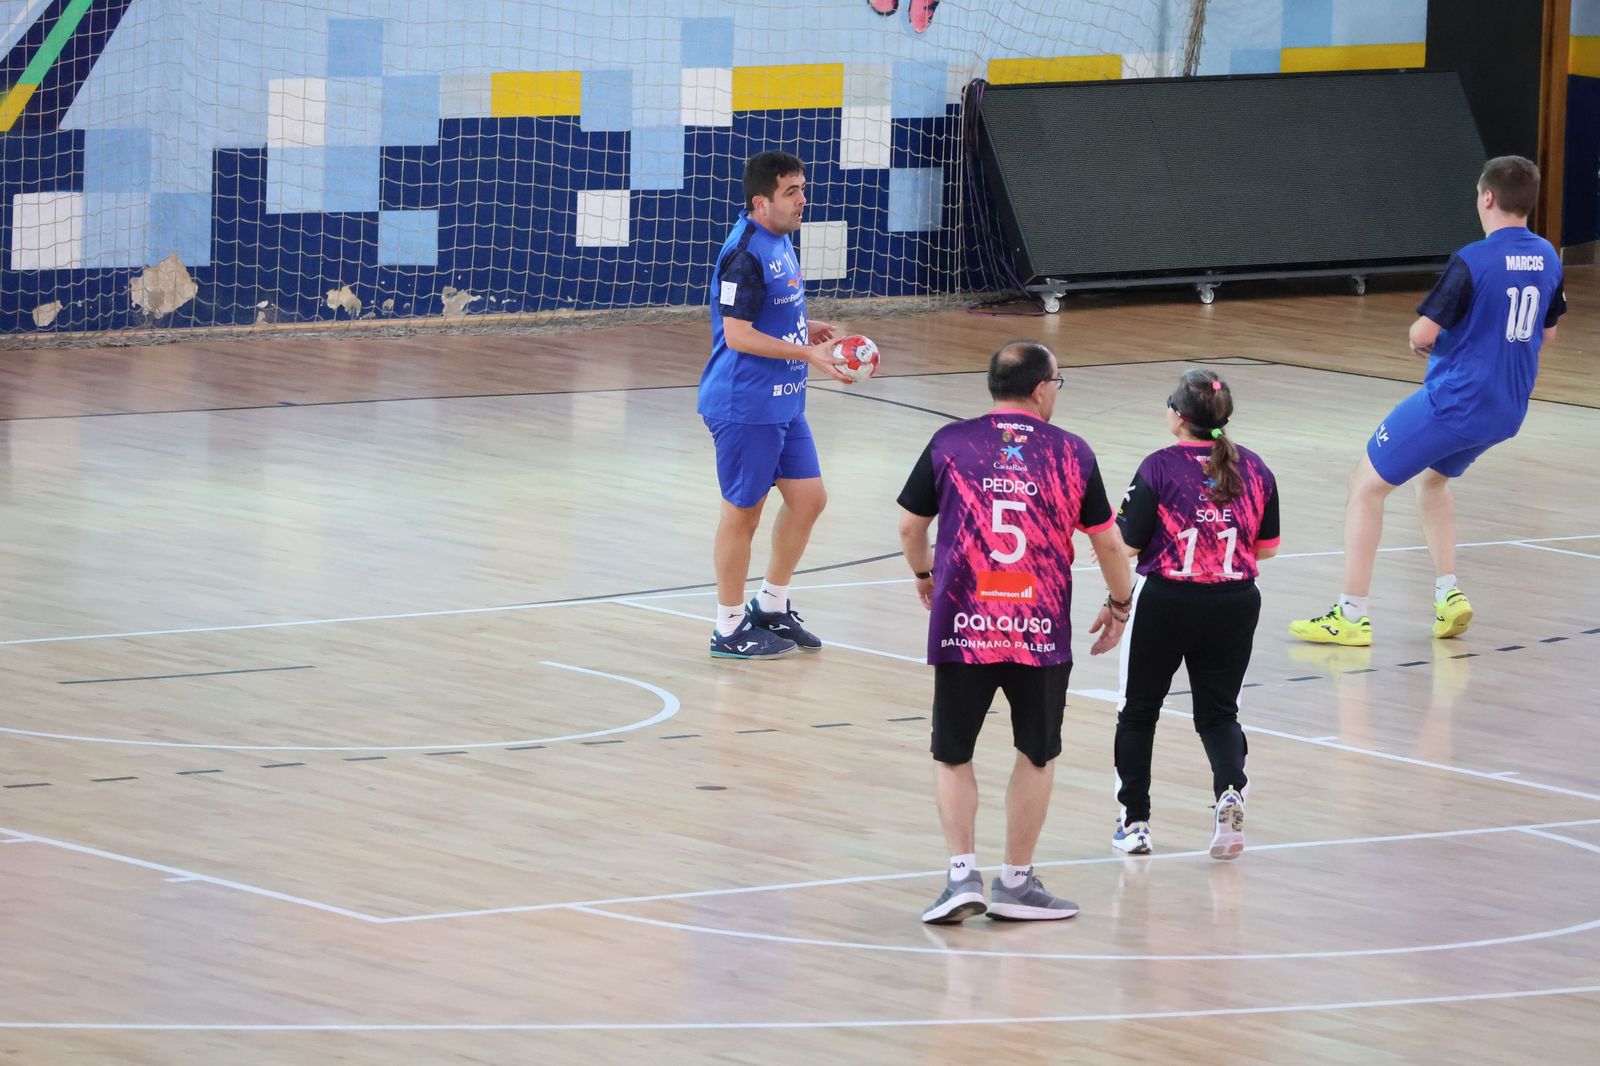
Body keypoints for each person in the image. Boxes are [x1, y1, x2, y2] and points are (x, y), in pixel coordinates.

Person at [898, 340, 1134, 924]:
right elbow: (1107, 540)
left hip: (964, 623)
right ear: (1040, 388)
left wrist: (926, 574)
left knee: (952, 755)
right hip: (1038, 629)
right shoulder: (1071, 452)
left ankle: (960, 877)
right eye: (1059, 379)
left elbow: (909, 526)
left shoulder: (949, 443)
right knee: (1036, 753)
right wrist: (1121, 605)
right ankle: (1016, 883)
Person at [1290, 156, 1565, 647]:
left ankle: (1350, 613)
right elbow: (1547, 332)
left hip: (1455, 402)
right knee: (1433, 484)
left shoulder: (1473, 260)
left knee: (1365, 485)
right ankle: (1448, 593)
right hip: (1506, 409)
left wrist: (1427, 342)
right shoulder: (1548, 256)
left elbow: (1423, 332)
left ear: (1486, 198)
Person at [1110, 369, 1280, 861]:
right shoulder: (1256, 468)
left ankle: (1135, 823)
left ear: (1179, 416)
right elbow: (1266, 549)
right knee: (1219, 713)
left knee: (1138, 713)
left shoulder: (1160, 467)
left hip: (1167, 600)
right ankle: (1230, 793)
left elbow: (1127, 544)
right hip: (1235, 602)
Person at [698, 151, 853, 659]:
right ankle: (728, 626)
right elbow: (738, 335)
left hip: (784, 401)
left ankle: (771, 605)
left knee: (809, 499)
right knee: (743, 514)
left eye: (803, 189)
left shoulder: (780, 240)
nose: (803, 200)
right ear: (760, 201)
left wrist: (805, 331)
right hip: (746, 405)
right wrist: (807, 352)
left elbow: (763, 317)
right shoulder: (744, 253)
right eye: (792, 192)